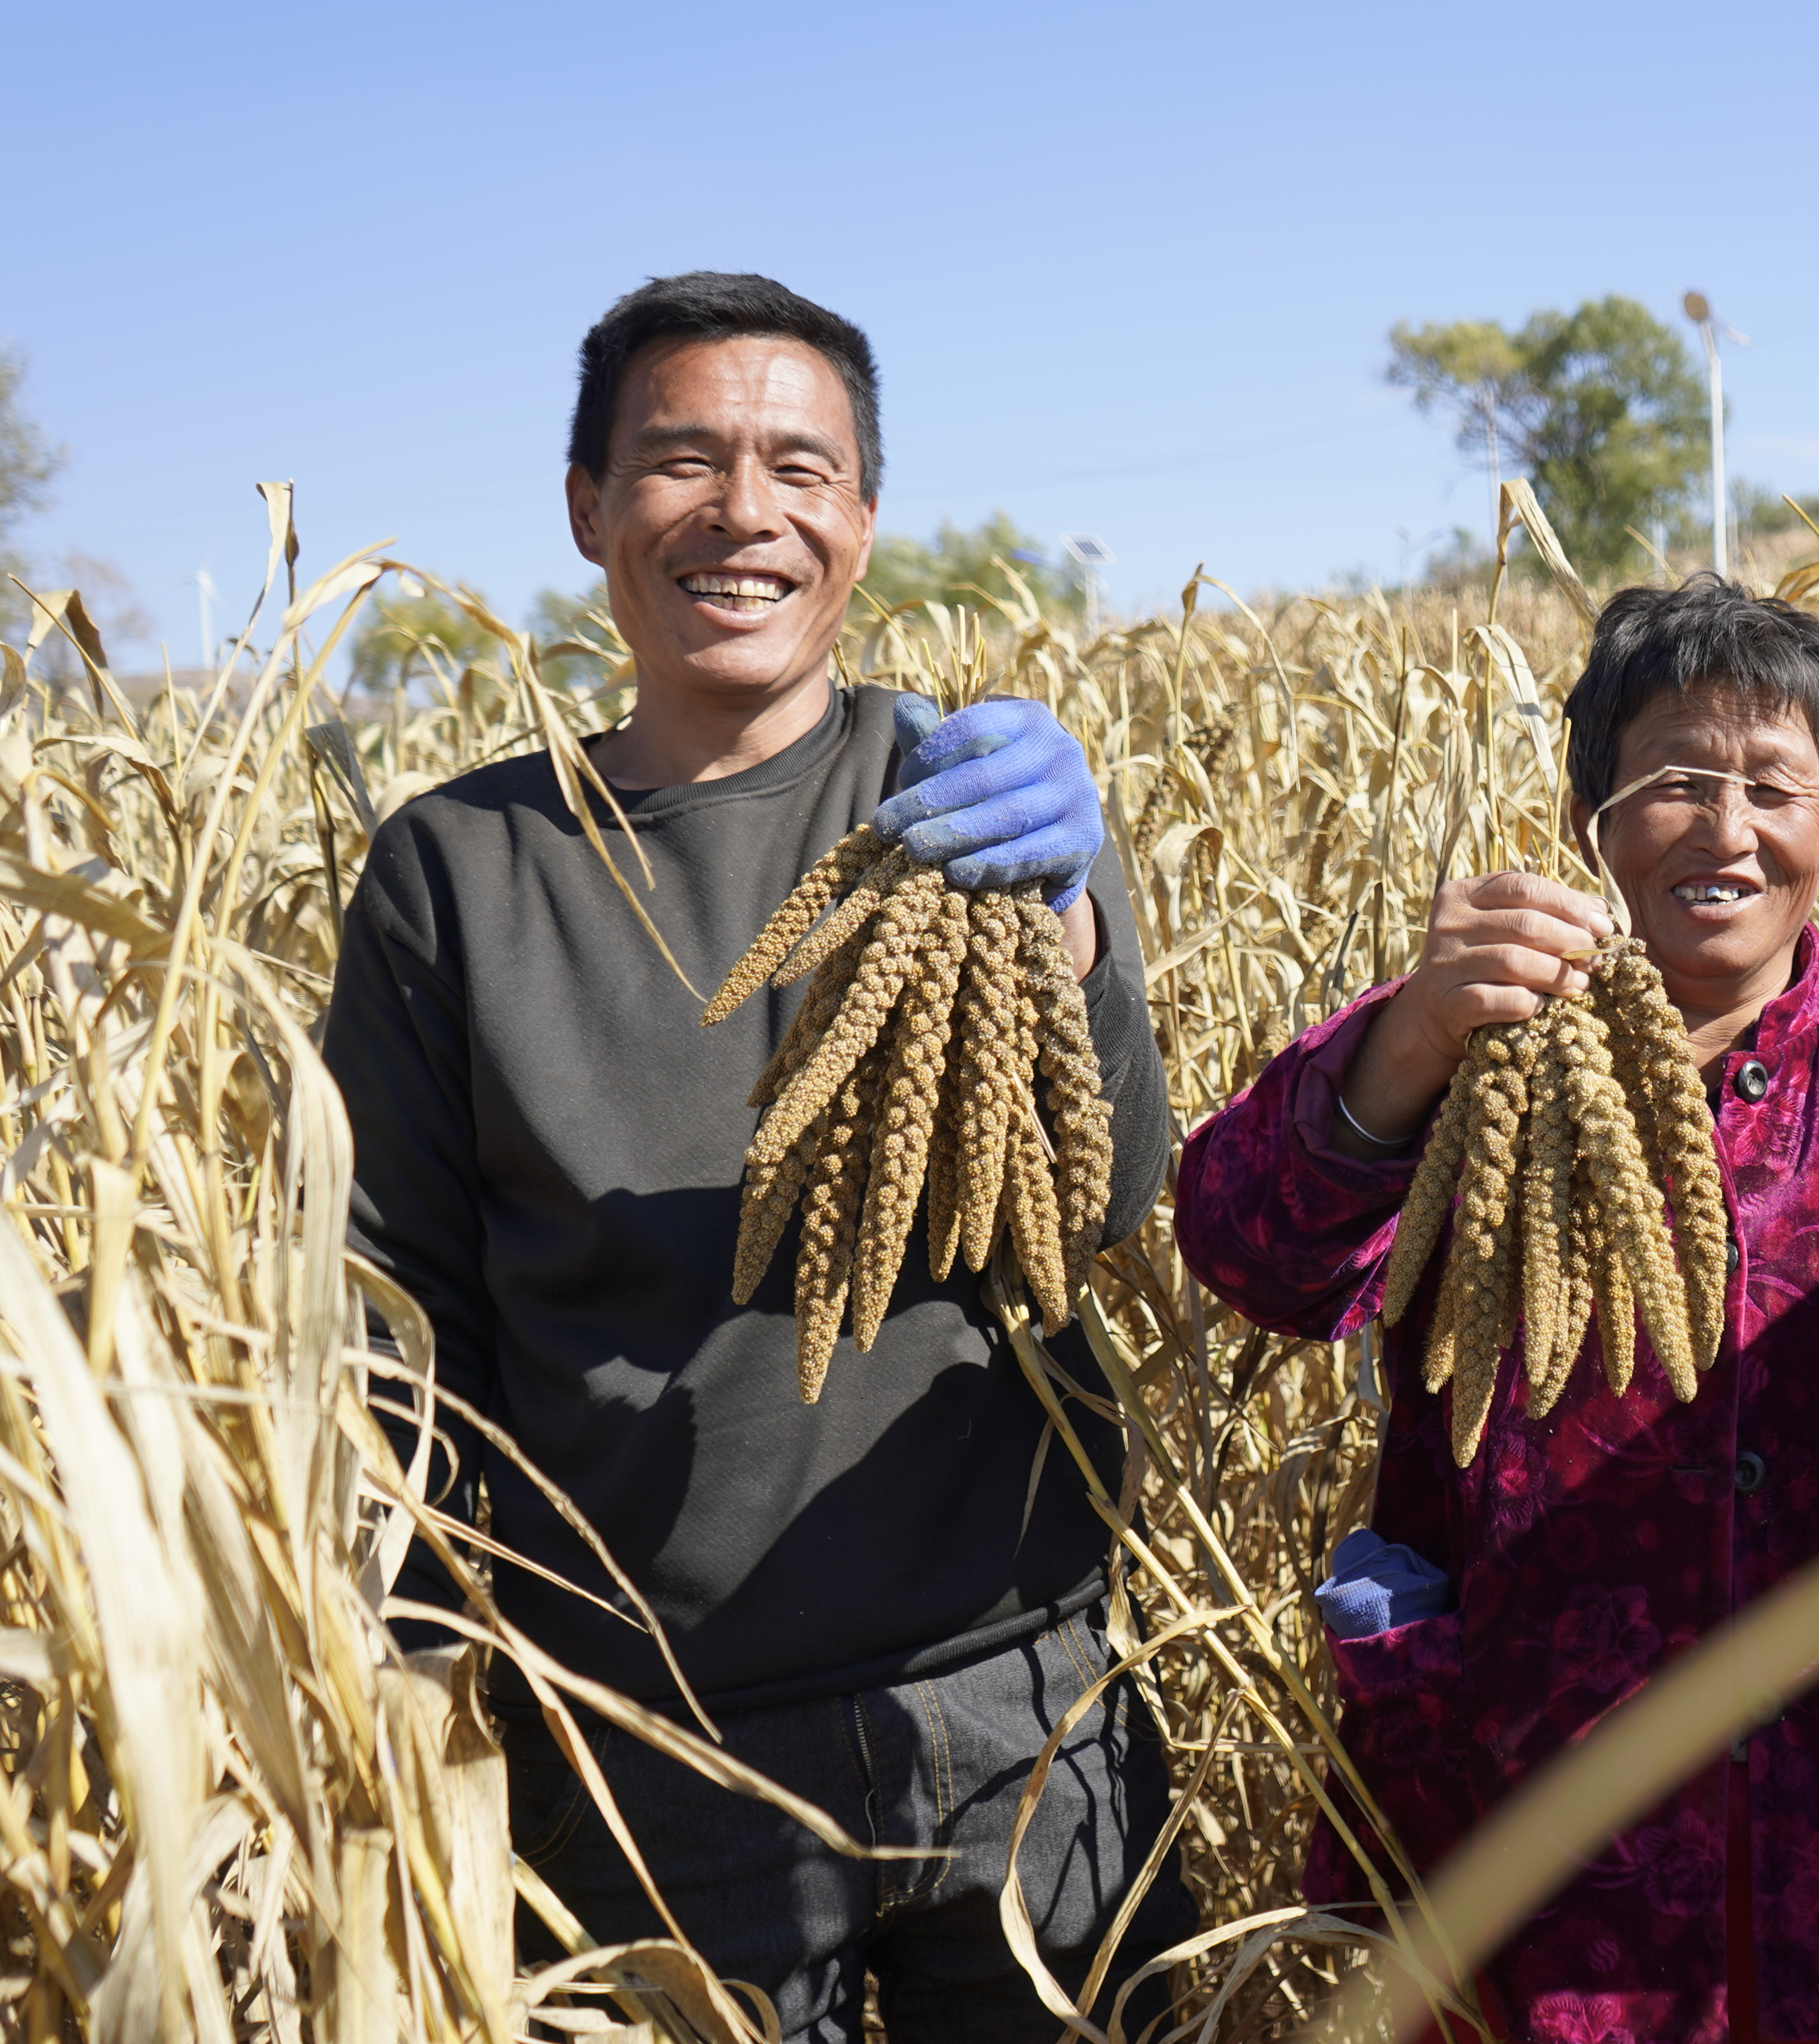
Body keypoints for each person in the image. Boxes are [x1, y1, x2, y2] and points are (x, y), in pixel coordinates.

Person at [323, 271, 1192, 2042]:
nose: (746, 513)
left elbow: (1096, 1203)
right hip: (648, 1752)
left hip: (1020, 1712)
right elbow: (392, 1336)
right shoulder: (459, 874)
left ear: (862, 520)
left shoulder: (961, 804)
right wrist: (429, 1714)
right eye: (681, 462)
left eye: (802, 467)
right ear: (587, 508)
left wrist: (1072, 932)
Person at [1173, 576, 1819, 2044]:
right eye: (1679, 782)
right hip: (1516, 1871)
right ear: (1596, 823)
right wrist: (1409, 1041)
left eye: (1775, 786)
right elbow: (1251, 1247)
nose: (1729, 827)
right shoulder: (1465, 1043)